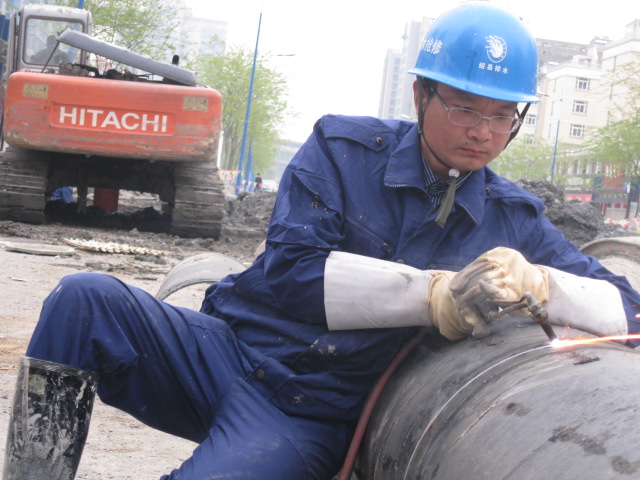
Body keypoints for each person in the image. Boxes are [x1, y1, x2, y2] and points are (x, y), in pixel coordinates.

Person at [4, 4, 640, 480]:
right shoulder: (341, 152)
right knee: (82, 298)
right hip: (225, 352)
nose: (483, 132)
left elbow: (628, 310)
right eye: (465, 108)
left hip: (306, 409)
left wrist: (545, 285)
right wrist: (434, 296)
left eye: (503, 115)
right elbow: (293, 272)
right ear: (420, 95)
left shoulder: (514, 220)